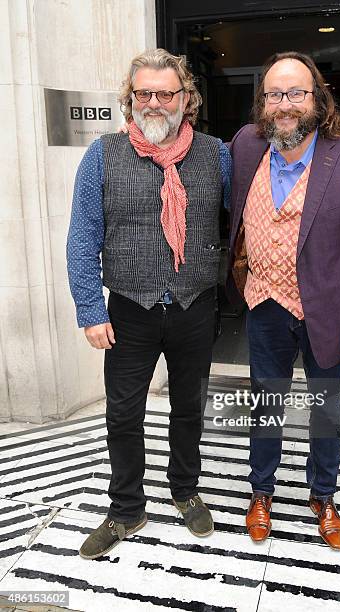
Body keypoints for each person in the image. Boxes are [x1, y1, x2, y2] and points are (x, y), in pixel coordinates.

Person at [67, 48, 231, 559]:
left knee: (188, 410)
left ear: (187, 99)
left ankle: (184, 489)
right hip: (129, 312)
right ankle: (125, 509)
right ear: (130, 98)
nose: (154, 102)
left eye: (166, 93)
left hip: (194, 306)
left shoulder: (215, 154)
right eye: (144, 93)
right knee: (123, 415)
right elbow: (82, 237)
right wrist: (91, 309)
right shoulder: (103, 154)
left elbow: (249, 216)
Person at [226, 52, 340, 550]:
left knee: (326, 410)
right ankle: (262, 491)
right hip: (264, 304)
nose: (284, 105)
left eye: (296, 93)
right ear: (264, 102)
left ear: (317, 98)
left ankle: (323, 494)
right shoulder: (246, 145)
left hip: (328, 312)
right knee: (265, 405)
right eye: (274, 94)